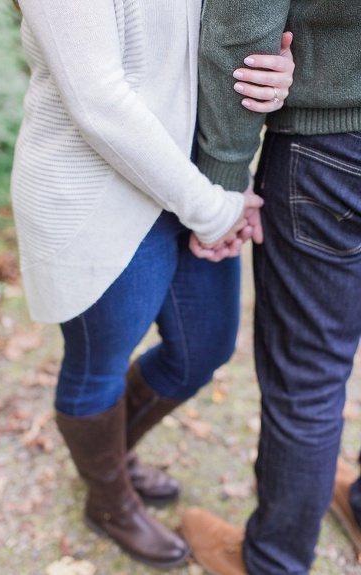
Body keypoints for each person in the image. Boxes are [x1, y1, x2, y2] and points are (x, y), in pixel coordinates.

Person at [8, 0, 294, 569]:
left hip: (189, 180)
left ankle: (110, 455)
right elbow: (98, 102)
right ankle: (108, 500)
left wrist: (276, 73)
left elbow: (215, 40)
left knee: (203, 349)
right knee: (98, 368)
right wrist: (214, 208)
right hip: (97, 194)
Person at [179, 2, 361, 574]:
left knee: (308, 380)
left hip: (332, 145)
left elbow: (244, 29)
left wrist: (221, 183)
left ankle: (272, 565)